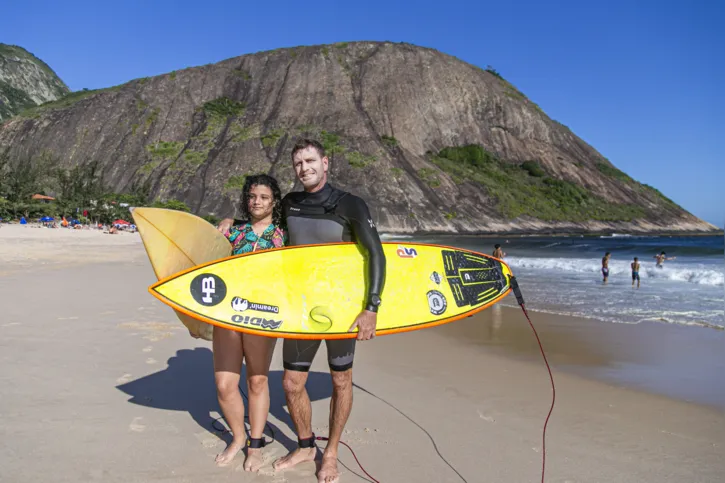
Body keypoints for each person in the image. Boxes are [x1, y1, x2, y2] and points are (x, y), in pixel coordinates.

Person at [218, 138, 386, 483]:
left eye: (310, 161)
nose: (304, 168)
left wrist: (371, 307)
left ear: (326, 162)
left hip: (341, 307)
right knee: (292, 383)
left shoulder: (350, 204)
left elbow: (376, 254)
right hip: (301, 308)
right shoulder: (291, 203)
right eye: (298, 164)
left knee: (341, 379)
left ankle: (333, 452)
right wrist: (227, 220)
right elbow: (259, 219)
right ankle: (306, 444)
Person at [212, 174, 287, 471]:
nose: (257, 202)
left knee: (257, 380)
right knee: (224, 384)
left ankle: (255, 445)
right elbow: (207, 261)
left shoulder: (284, 235)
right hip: (228, 312)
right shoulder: (234, 232)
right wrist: (227, 221)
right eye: (253, 196)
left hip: (264, 314)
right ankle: (238, 437)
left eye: (264, 197)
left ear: (274, 201)